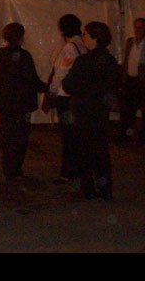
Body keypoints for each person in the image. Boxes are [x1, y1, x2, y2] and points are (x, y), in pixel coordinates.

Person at [63, 21, 119, 200]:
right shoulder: (110, 61)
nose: (84, 38)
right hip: (100, 112)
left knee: (84, 152)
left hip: (83, 112)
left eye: (86, 35)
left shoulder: (84, 61)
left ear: (95, 39)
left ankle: (87, 189)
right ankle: (105, 189)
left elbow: (69, 84)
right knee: (101, 151)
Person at [0, 22, 47, 182]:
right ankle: (15, 168)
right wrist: (48, 88)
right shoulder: (24, 56)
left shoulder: (0, 53)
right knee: (20, 136)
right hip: (21, 103)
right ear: (21, 38)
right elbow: (32, 79)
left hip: (4, 101)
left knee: (7, 134)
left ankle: (8, 167)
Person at [45, 14, 86, 185]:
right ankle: (77, 169)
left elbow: (60, 72)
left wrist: (51, 91)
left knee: (69, 137)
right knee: (76, 136)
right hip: (78, 96)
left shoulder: (70, 47)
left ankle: (68, 172)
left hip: (66, 97)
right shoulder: (82, 45)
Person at [119, 17, 145, 144]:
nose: (137, 30)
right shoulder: (130, 41)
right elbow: (126, 59)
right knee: (127, 110)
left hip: (141, 81)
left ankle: (141, 138)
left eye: (140, 27)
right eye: (136, 27)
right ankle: (126, 136)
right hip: (130, 79)